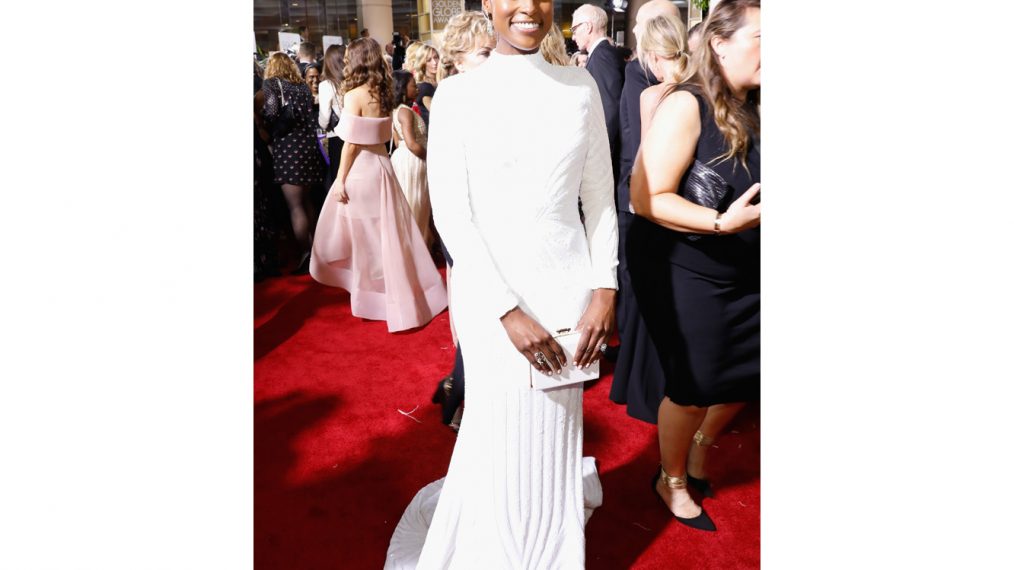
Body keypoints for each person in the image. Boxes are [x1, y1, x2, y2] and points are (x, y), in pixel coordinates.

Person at [384, 0, 618, 564]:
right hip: (493, 301)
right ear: (488, 3)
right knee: (500, 433)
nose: (528, 7)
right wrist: (506, 310)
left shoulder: (579, 86)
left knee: (554, 438)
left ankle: (550, 548)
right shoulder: (461, 95)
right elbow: (452, 216)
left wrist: (605, 290)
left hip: (569, 297)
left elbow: (602, 202)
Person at [627, 0, 761, 532]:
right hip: (686, 264)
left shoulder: (763, 100)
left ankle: (701, 449)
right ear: (720, 43)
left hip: (748, 264)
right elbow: (646, 197)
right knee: (695, 382)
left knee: (746, 374)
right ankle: (672, 478)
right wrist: (721, 223)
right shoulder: (687, 104)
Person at [310, 38, 448, 332]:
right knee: (390, 236)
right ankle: (394, 299)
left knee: (364, 239)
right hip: (383, 168)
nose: (346, 61)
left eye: (349, 56)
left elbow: (350, 145)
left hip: (361, 170)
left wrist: (339, 179)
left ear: (357, 59)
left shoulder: (354, 94)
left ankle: (372, 300)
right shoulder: (384, 92)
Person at [609, 0, 682, 423]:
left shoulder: (652, 87)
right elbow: (641, 160)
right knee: (649, 302)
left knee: (646, 302)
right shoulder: (649, 89)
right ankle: (645, 389)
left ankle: (640, 388)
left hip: (648, 204)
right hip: (651, 205)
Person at [426, 10, 498, 432]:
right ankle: (459, 396)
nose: (493, 59)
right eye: (485, 52)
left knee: (486, 320)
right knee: (478, 319)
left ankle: (456, 388)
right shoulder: (454, 95)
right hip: (468, 224)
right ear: (459, 56)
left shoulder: (493, 91)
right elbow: (447, 179)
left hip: (498, 222)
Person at [261, 52, 323, 274]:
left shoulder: (271, 84)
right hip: (308, 148)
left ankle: (306, 254)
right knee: (307, 202)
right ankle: (316, 251)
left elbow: (271, 111)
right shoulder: (303, 87)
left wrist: (266, 123)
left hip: (288, 149)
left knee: (295, 207)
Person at [571, 3, 626, 188]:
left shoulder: (602, 56)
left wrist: (600, 162)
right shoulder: (603, 54)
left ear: (587, 27)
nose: (573, 36)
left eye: (574, 29)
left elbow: (609, 111)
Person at [390, 70, 433, 247]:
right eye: (413, 85)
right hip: (414, 160)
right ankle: (418, 249)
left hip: (404, 160)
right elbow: (411, 143)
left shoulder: (396, 111)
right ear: (401, 88)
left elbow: (397, 140)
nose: (416, 88)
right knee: (416, 206)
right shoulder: (405, 112)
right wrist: (431, 158)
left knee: (412, 207)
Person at [318, 44, 346, 192]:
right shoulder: (353, 81)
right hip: (356, 134)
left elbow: (324, 118)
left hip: (337, 137)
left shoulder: (326, 85)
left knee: (339, 179)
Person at [407, 43, 440, 126]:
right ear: (422, 63)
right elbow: (436, 112)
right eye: (429, 60)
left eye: (436, 57)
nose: (435, 62)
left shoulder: (439, 81)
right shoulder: (425, 87)